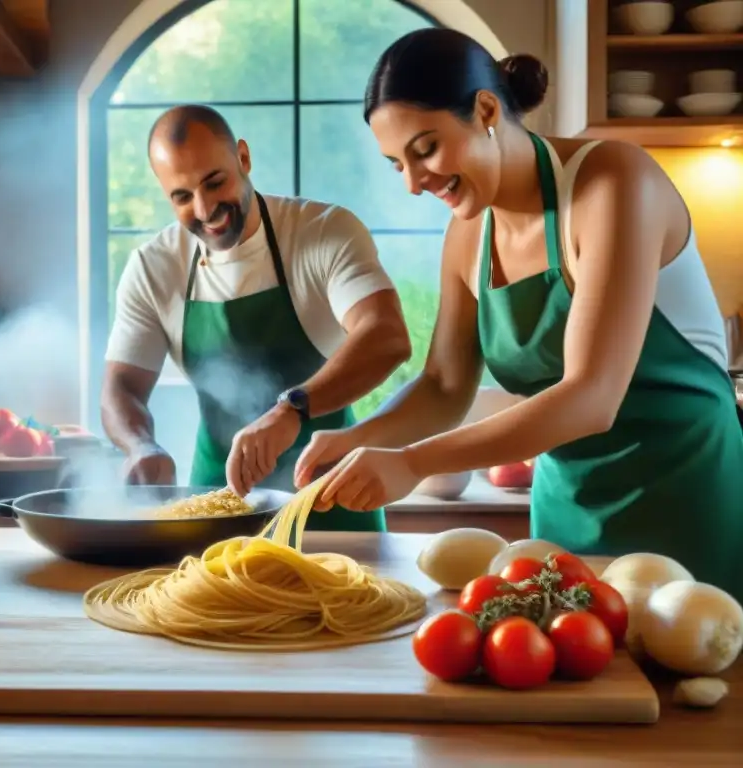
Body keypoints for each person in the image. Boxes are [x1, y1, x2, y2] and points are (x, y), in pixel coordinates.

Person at [296, 28, 743, 597]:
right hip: (566, 510)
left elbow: (591, 397)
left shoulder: (613, 182)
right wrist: (358, 437)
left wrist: (411, 462)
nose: (413, 183)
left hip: (686, 495)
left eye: (425, 149)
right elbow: (443, 385)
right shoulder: (467, 234)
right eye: (395, 164)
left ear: (485, 110)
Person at [101, 104, 412, 533]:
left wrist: (291, 409)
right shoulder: (154, 267)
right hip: (217, 503)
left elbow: (387, 335)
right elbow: (122, 387)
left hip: (333, 498)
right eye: (182, 196)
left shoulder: (321, 231)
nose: (205, 208)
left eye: (215, 182)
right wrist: (139, 446)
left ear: (243, 158)